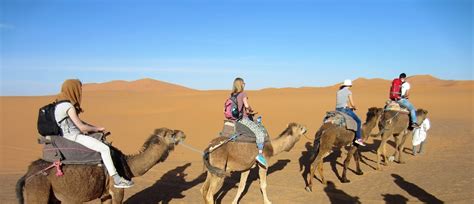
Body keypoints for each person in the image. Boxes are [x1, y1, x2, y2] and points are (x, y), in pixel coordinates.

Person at [54, 79, 134, 188]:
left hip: (63, 136)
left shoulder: (58, 103)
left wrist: (92, 128)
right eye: (79, 89)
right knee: (105, 149)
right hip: (74, 137)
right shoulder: (68, 106)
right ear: (73, 89)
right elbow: (81, 127)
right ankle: (117, 179)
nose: (80, 91)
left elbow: (75, 123)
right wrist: (96, 129)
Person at [226, 77, 268, 167]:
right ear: (241, 84)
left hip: (233, 119)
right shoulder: (243, 94)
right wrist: (251, 110)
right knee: (260, 133)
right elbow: (246, 105)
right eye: (243, 83)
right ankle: (260, 155)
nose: (244, 84)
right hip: (243, 119)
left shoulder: (232, 95)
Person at [335, 79, 364, 146]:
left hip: (337, 109)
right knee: (358, 121)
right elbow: (352, 103)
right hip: (344, 110)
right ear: (350, 85)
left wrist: (348, 107)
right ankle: (358, 138)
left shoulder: (338, 92)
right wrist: (354, 107)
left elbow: (340, 103)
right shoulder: (349, 92)